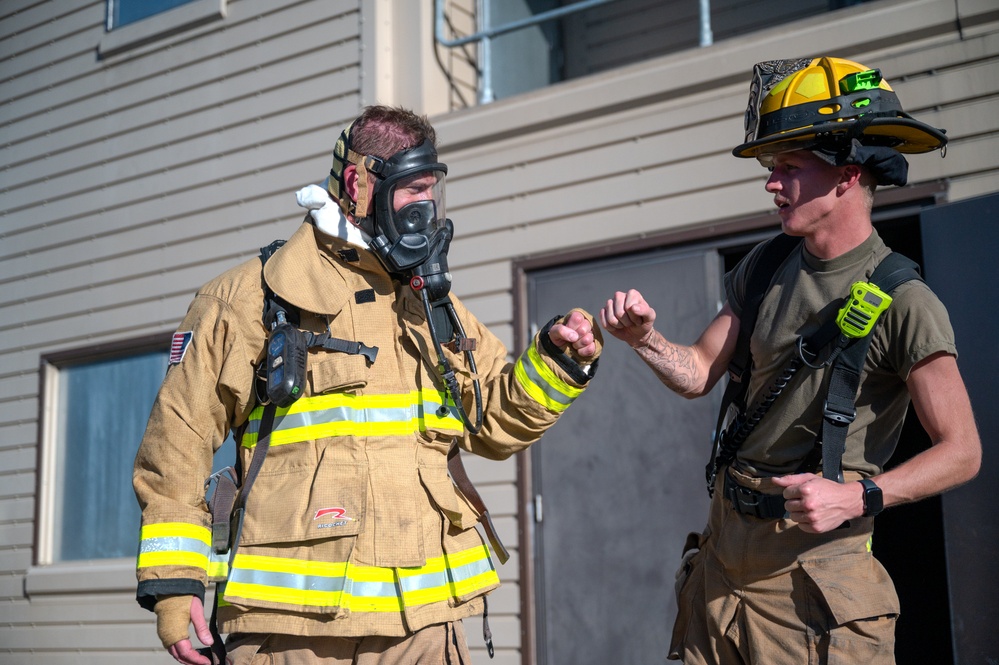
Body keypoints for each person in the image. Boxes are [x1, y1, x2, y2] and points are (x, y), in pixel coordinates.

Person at [133, 105, 602, 665]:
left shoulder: (431, 304)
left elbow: (492, 423)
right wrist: (175, 584)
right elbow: (178, 439)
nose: (427, 208)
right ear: (358, 184)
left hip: (425, 626)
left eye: (434, 190)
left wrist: (556, 361)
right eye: (413, 189)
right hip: (291, 630)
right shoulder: (250, 297)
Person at [600, 57, 981, 664]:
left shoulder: (907, 302)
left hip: (813, 586)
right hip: (722, 568)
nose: (771, 184)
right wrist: (645, 339)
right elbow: (698, 371)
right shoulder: (765, 266)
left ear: (846, 177)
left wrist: (859, 497)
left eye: (788, 169)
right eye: (772, 170)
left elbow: (962, 452)